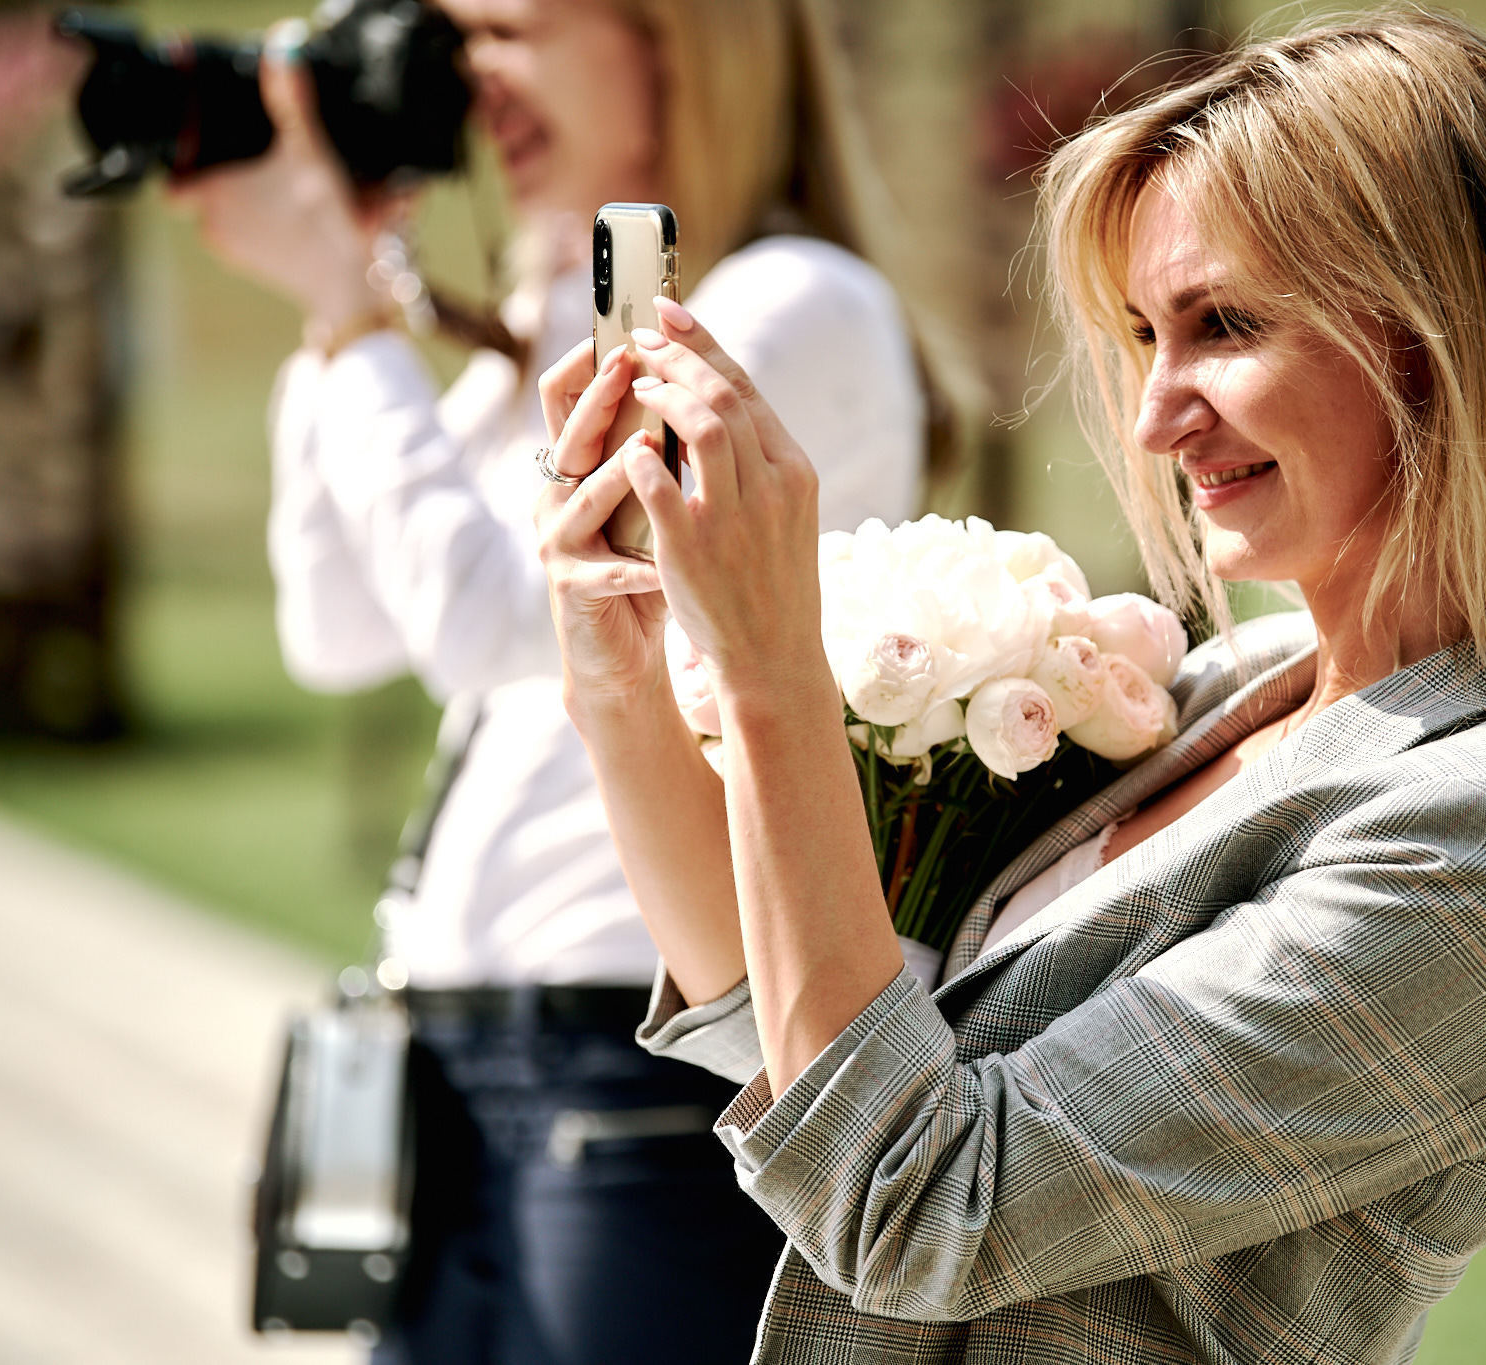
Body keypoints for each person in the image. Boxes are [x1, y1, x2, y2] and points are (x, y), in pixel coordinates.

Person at [532, 7, 1486, 1362]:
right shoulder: (1233, 690)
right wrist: (617, 670)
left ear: (1464, 318)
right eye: (1147, 335)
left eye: (1227, 325)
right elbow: (792, 1035)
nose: (1155, 417)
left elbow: (927, 1205)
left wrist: (773, 668)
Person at [170, 1, 939, 1360]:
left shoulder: (782, 305)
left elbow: (492, 622)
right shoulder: (570, 319)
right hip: (470, 1060)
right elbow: (337, 624)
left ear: (677, 42)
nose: (471, 78)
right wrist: (333, 316)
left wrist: (352, 315)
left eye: (509, 28)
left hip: (633, 1066)